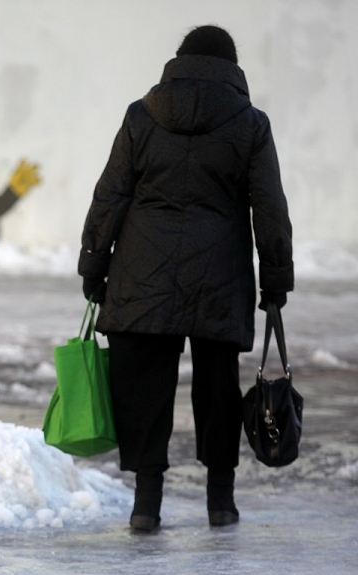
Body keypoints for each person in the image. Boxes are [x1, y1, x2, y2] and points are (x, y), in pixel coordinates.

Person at [78, 25, 294, 531]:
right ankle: (221, 502)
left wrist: (93, 264)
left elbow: (109, 196)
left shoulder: (140, 116)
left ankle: (145, 506)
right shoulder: (250, 124)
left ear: (178, 61)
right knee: (218, 387)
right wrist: (276, 281)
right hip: (219, 277)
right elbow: (270, 209)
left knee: (145, 387)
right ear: (232, 68)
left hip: (141, 270)